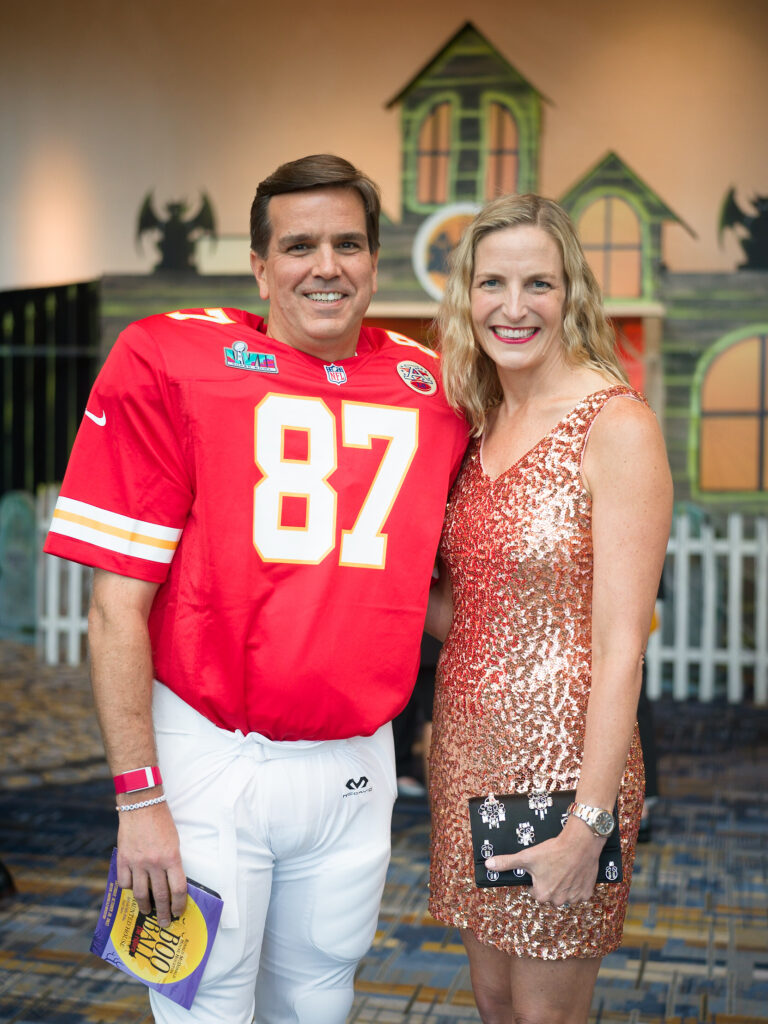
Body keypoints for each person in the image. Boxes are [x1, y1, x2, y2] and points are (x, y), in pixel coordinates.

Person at [44, 154, 468, 1024]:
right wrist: (139, 799)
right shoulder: (173, 358)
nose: (326, 266)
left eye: (348, 243)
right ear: (260, 265)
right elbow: (114, 607)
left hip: (357, 755)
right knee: (205, 1000)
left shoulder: (434, 390)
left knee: (322, 996)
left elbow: (427, 586)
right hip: (208, 749)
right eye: (300, 244)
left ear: (376, 259)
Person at [425, 193, 672, 1024]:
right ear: (467, 296)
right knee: (496, 1005)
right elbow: (469, 610)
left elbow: (621, 648)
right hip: (466, 753)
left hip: (563, 767)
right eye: (492, 282)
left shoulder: (617, 426)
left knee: (545, 1017)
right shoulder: (479, 424)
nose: (515, 305)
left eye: (540, 283)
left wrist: (590, 824)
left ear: (572, 295)